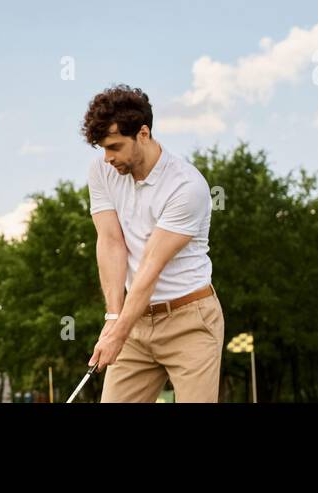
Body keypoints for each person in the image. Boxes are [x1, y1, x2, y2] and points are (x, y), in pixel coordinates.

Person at [82, 84, 224, 403]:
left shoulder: (187, 187)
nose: (108, 158)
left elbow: (150, 264)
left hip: (190, 320)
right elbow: (110, 241)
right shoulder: (102, 171)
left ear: (143, 134)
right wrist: (113, 318)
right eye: (102, 148)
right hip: (136, 321)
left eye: (115, 146)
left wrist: (117, 333)